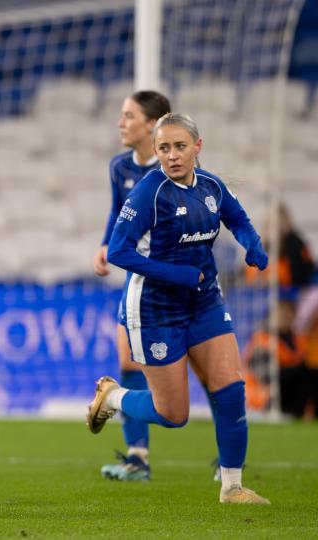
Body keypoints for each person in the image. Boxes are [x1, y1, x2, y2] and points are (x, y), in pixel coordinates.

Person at [86, 113, 271, 504]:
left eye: (180, 147)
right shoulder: (148, 192)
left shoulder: (210, 186)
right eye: (164, 148)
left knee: (230, 387)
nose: (172, 156)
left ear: (197, 148)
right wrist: (177, 275)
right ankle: (114, 398)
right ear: (156, 151)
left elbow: (238, 218)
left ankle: (232, 487)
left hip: (204, 301)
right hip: (155, 309)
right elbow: (119, 251)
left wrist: (252, 244)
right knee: (173, 414)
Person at [93, 90, 170, 482]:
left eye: (128, 116)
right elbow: (115, 210)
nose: (121, 123)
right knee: (127, 361)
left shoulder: (173, 168)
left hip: (176, 279)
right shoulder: (120, 167)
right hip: (138, 277)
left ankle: (230, 463)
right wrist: (107, 242)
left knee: (211, 373)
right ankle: (138, 457)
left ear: (152, 124)